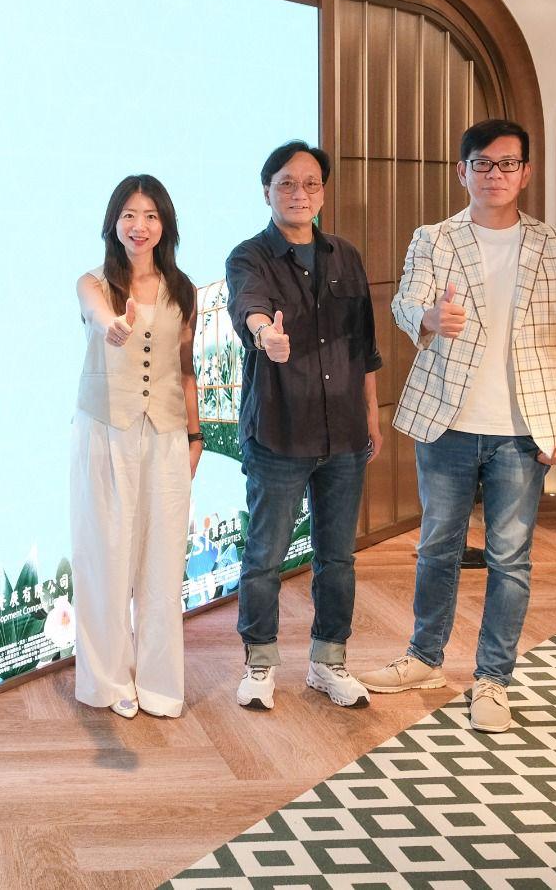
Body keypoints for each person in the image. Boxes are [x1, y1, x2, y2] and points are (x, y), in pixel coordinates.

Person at [358, 118, 556, 733]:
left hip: (525, 428)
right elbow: (404, 302)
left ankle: (493, 679)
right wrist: (428, 317)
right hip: (448, 422)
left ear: (526, 172)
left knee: (510, 558)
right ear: (462, 171)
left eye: (507, 163)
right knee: (437, 546)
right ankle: (424, 658)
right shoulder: (434, 239)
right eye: (483, 164)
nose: (495, 174)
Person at [225, 140, 383, 711]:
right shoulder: (250, 256)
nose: (300, 193)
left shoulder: (346, 255)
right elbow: (249, 307)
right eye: (287, 183)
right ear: (266, 191)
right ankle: (260, 662)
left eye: (311, 183)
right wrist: (265, 333)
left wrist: (371, 413)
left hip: (344, 432)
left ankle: (328, 661)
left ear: (323, 192)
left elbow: (364, 345)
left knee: (337, 558)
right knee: (265, 557)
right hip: (280, 431)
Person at [71, 174, 204, 719]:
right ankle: (107, 683)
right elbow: (97, 315)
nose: (139, 225)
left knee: (163, 562)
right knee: (106, 556)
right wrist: (112, 326)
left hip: (167, 436)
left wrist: (196, 436)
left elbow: (187, 371)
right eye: (129, 214)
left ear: (165, 224)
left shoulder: (183, 290)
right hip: (106, 433)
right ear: (114, 223)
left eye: (150, 215)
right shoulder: (93, 284)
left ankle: (160, 684)